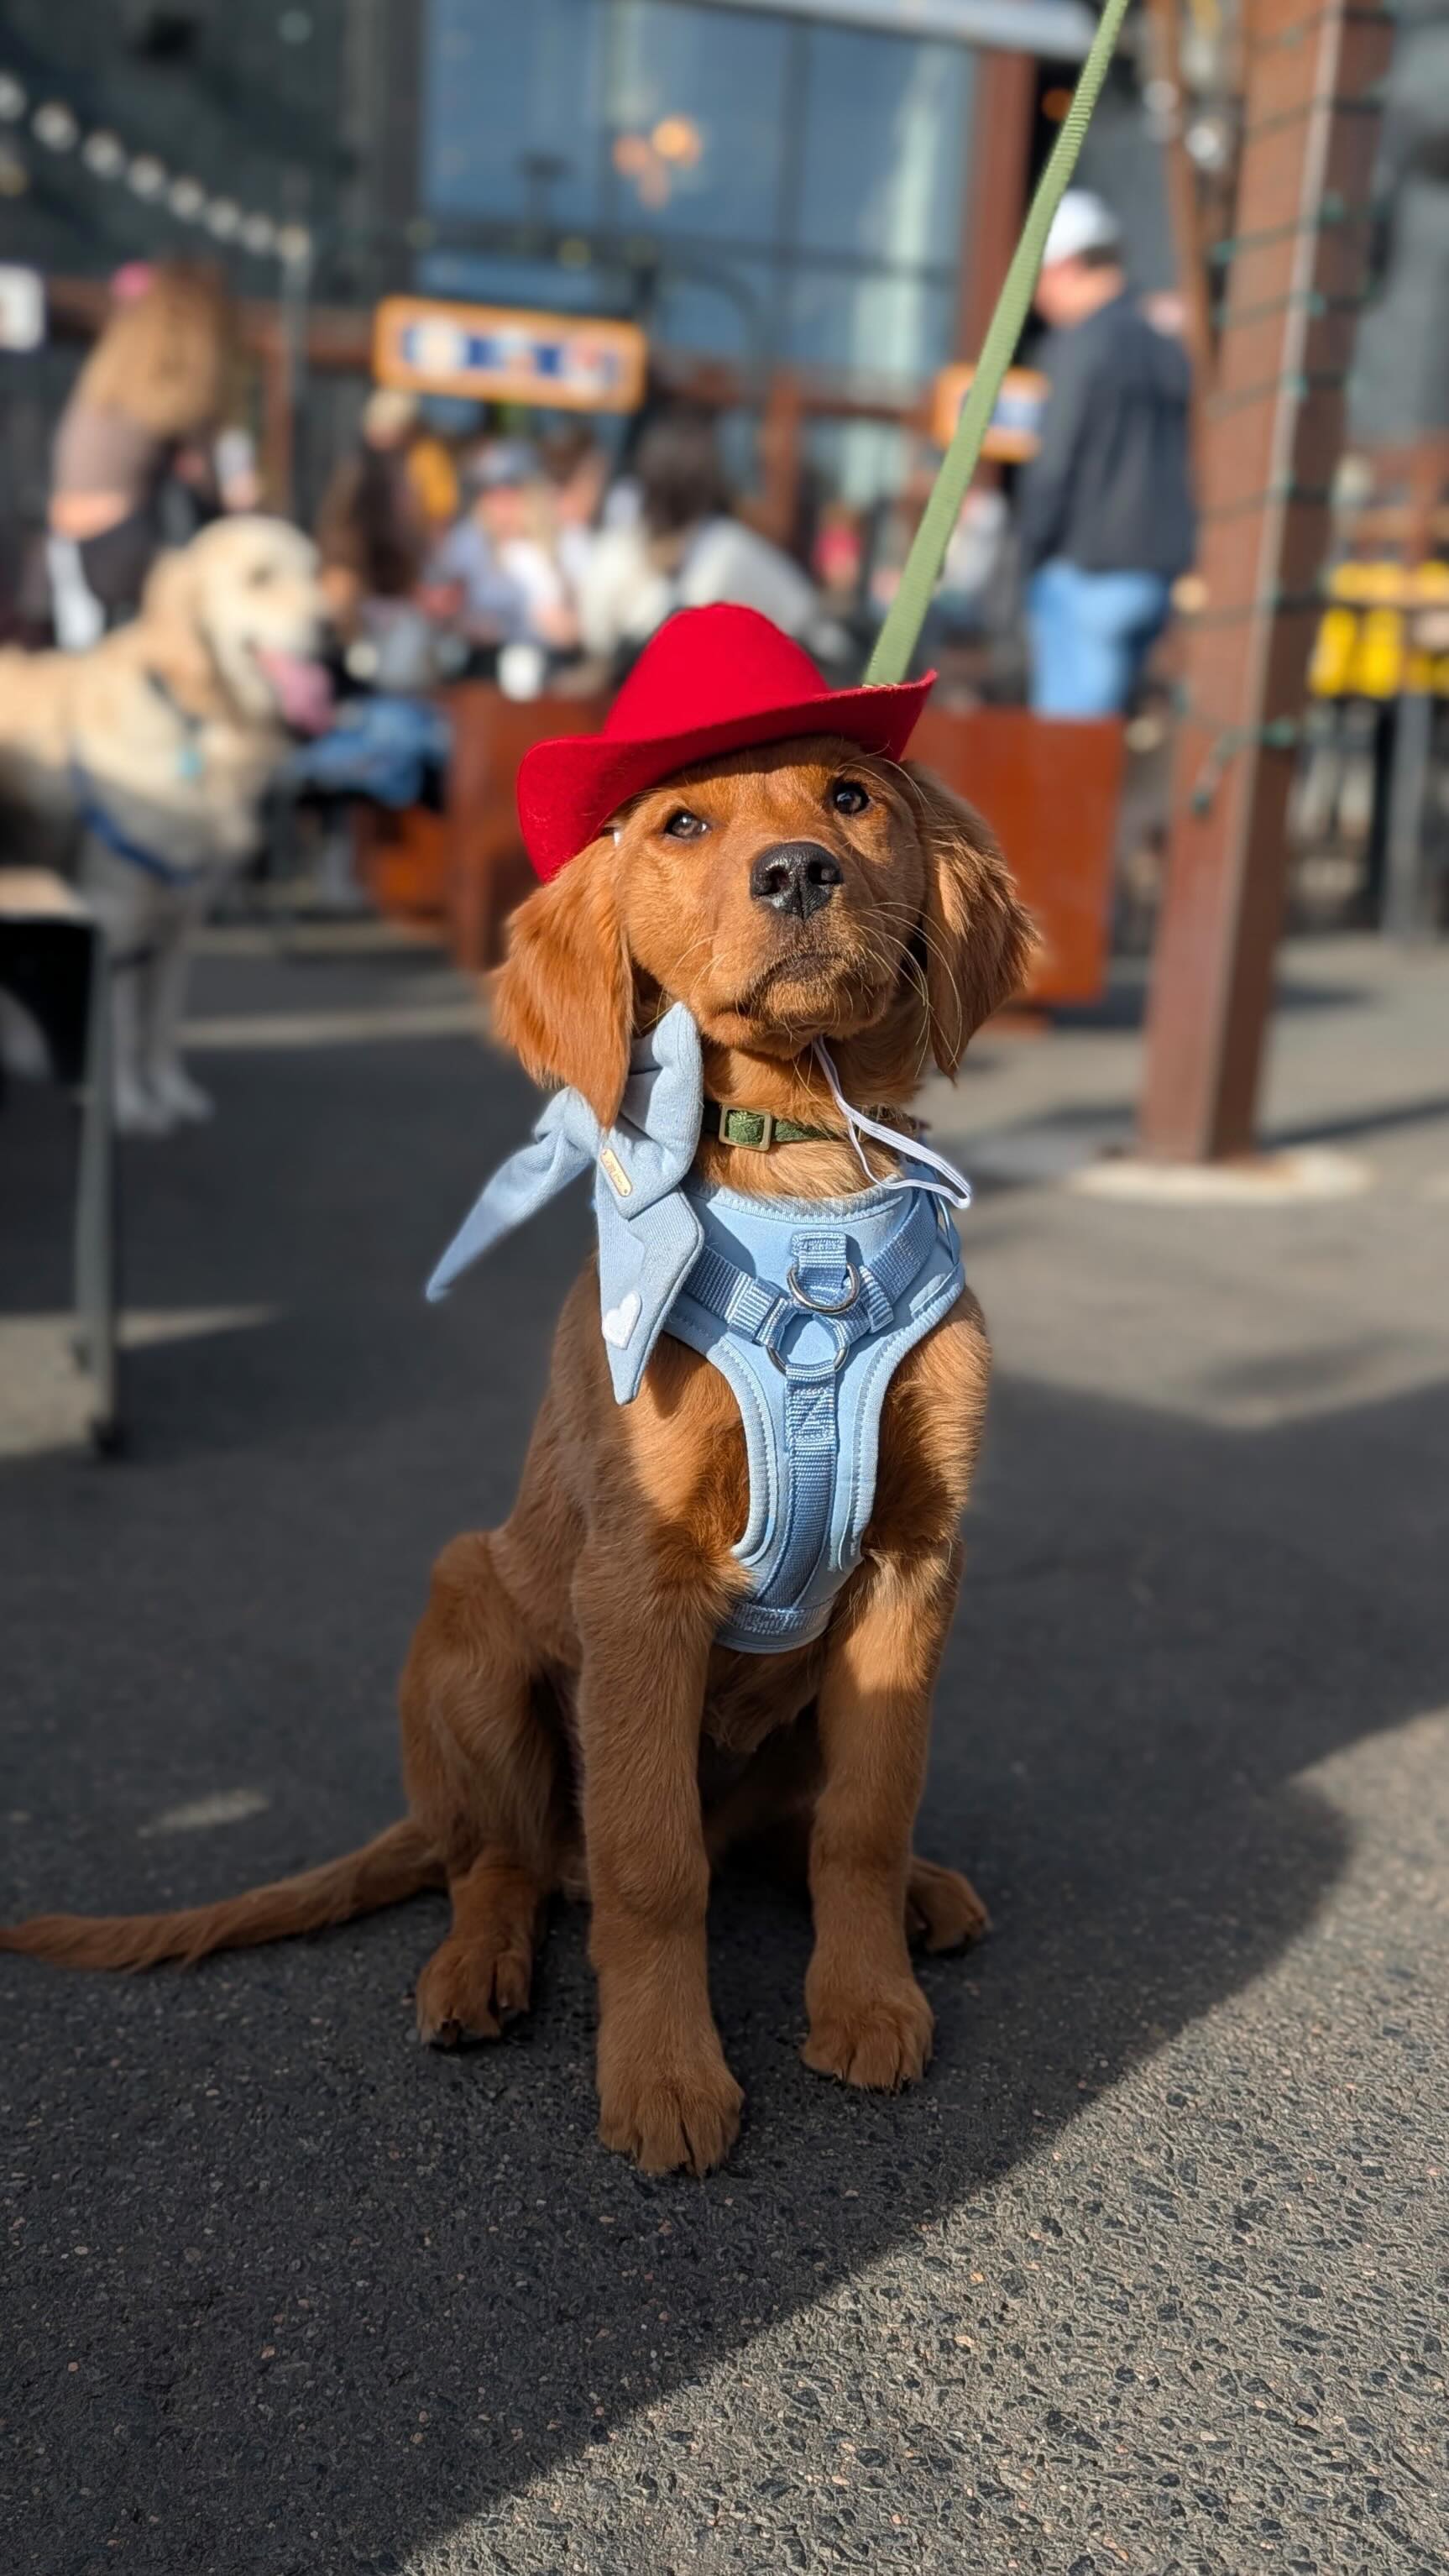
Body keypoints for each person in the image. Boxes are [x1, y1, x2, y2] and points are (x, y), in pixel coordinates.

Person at [1017, 190, 1196, 718]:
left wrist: (1025, 553)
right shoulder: (1163, 342)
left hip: (1086, 571)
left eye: (1039, 277)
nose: (1036, 297)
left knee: (1070, 749)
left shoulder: (1077, 347)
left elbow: (1054, 465)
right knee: (1114, 745)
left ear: (1067, 266)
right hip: (1155, 572)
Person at [47, 263, 240, 647]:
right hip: (126, 549)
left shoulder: (112, 373)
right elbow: (209, 487)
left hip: (69, 545)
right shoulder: (175, 386)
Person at [578, 411, 841, 676]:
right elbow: (807, 618)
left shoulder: (619, 551)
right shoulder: (729, 550)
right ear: (709, 482)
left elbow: (596, 637)